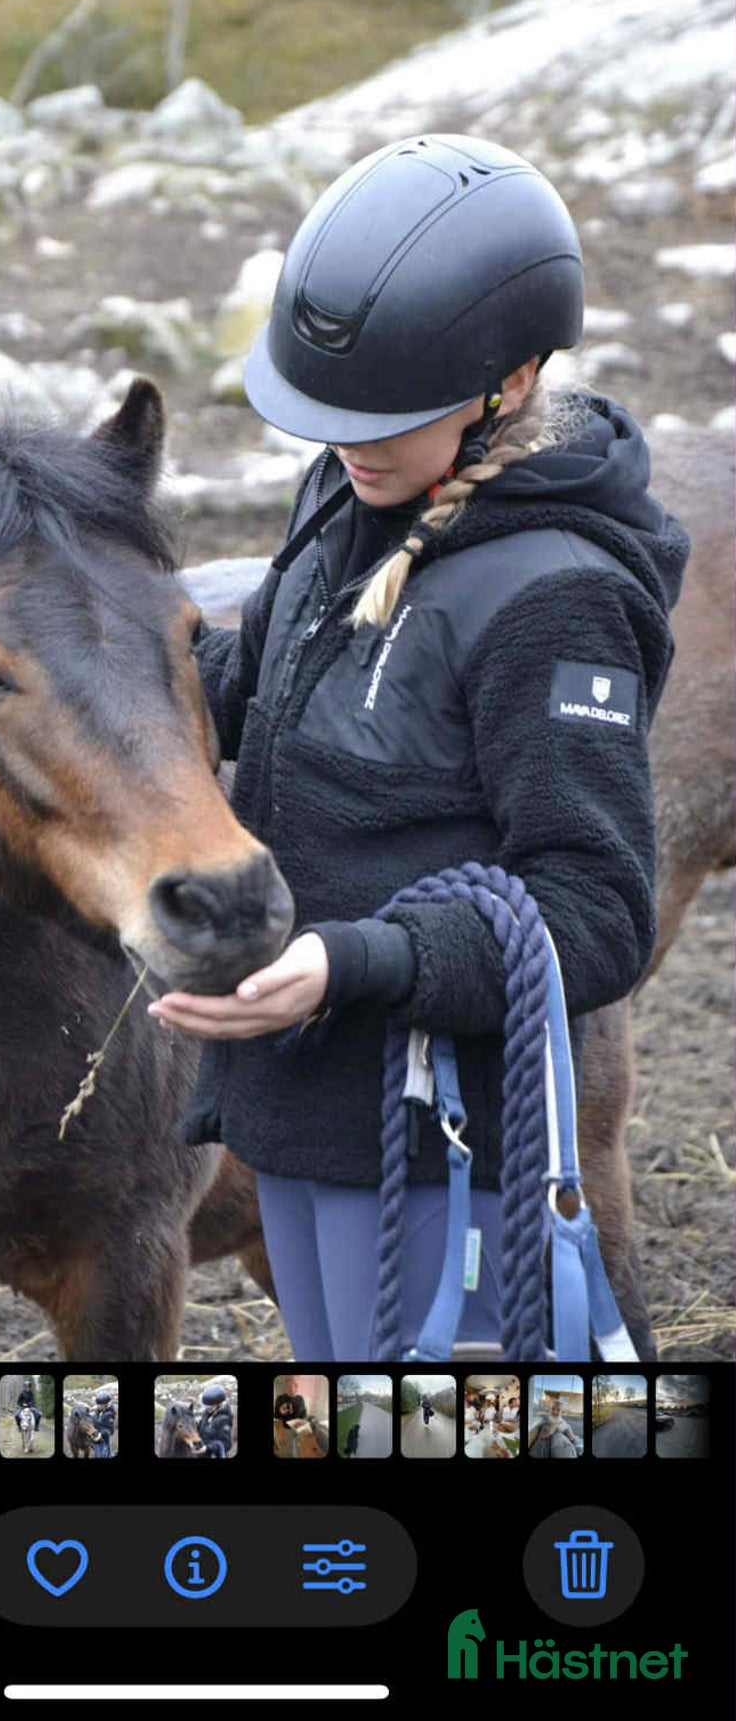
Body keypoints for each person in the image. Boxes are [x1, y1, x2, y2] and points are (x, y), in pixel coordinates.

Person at [149, 136, 689, 1361]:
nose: (351, 442)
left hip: (445, 1151)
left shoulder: (555, 601)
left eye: (387, 417)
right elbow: (262, 694)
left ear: (513, 379)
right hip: (301, 1111)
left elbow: (596, 912)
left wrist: (359, 963)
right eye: (330, 414)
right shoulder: (348, 494)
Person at [196, 1382, 234, 1459]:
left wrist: (208, 1448)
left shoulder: (224, 1420)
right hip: (202, 1450)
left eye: (210, 1407)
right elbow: (201, 1429)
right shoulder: (207, 1413)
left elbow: (226, 1444)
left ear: (219, 1405)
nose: (207, 1409)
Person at [90, 1386, 116, 1457]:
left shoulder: (108, 1415)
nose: (98, 1406)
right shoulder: (101, 1411)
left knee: (103, 1455)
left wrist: (100, 1434)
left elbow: (110, 1431)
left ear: (105, 1405)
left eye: (100, 1404)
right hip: (97, 1440)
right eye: (97, 1404)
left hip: (104, 1441)